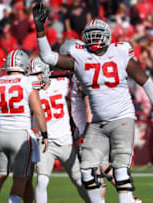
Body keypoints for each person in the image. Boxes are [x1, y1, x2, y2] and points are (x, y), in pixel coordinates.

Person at [33, 4, 153, 202]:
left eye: (98, 35)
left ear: (107, 36)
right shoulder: (80, 56)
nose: (95, 39)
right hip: (97, 123)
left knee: (121, 170)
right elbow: (47, 57)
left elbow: (145, 80)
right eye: (91, 35)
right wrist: (40, 30)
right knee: (87, 171)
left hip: (122, 118)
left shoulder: (121, 51)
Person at [61, 39, 142, 203]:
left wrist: (88, 131)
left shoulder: (81, 75)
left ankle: (126, 199)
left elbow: (88, 103)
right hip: (95, 126)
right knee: (105, 168)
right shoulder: (82, 72)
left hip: (92, 129)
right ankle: (131, 199)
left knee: (93, 174)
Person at [0, 50, 48, 203]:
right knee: (20, 179)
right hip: (21, 135)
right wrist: (45, 135)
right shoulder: (27, 82)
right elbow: (38, 112)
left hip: (0, 133)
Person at [29, 57, 90, 203]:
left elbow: (78, 96)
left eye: (37, 74)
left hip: (65, 140)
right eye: (32, 75)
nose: (35, 78)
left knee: (79, 181)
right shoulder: (30, 91)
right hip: (45, 143)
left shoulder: (62, 84)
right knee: (42, 181)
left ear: (46, 72)